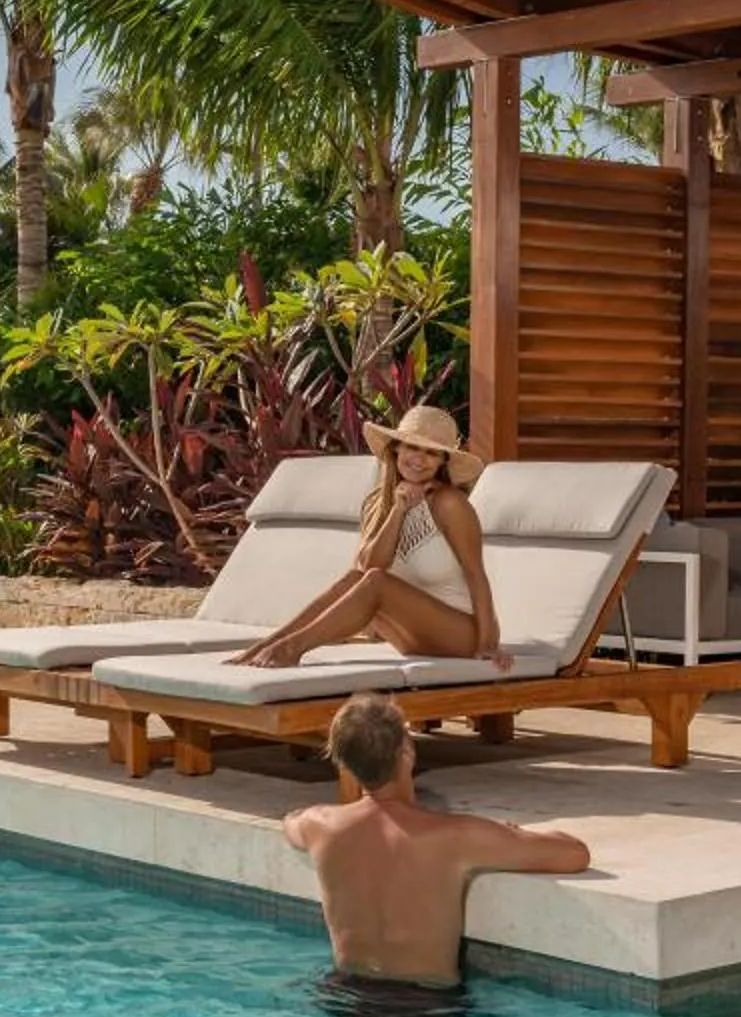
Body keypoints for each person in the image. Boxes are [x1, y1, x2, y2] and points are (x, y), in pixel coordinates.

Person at [284, 693, 592, 987]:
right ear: (407, 752)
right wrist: (512, 834)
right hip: (423, 1005)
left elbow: (290, 822)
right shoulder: (456, 835)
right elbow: (575, 854)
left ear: (344, 764)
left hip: (344, 993)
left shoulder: (319, 826)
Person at [232, 405, 506, 670]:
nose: (419, 459)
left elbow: (476, 576)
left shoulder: (450, 504)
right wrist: (399, 510)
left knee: (376, 583)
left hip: (460, 634)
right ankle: (270, 643)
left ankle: (290, 649)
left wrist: (487, 645)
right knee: (356, 578)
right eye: (412, 447)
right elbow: (368, 566)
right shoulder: (380, 503)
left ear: (442, 462)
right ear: (397, 447)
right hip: (412, 637)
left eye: (432, 453)